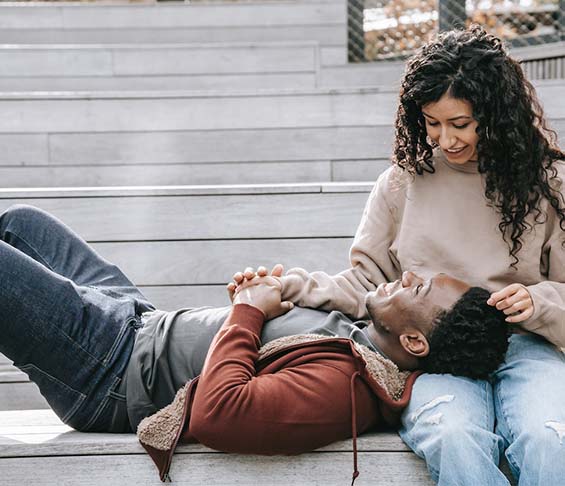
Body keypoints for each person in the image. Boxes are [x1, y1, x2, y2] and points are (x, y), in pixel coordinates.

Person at [234, 25, 565, 485]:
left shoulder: (548, 183)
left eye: (461, 124)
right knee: (451, 435)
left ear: (495, 113)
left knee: (550, 438)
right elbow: (367, 285)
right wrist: (284, 285)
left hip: (525, 345)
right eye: (432, 122)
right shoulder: (401, 183)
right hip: (432, 355)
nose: (445, 140)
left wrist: (538, 302)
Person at [0, 204, 508, 483]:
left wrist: (247, 314)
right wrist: (254, 301)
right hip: (139, 317)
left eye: (419, 287)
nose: (411, 274)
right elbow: (254, 341)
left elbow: (219, 413)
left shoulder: (344, 389)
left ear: (415, 341)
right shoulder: (361, 331)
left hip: (108, 369)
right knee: (22, 224)